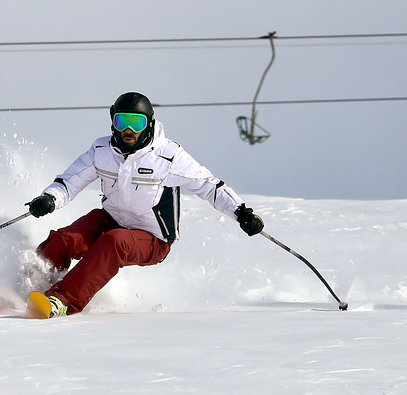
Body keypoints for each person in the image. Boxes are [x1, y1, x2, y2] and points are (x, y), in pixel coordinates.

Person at [25, 92, 264, 317]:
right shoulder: (102, 150)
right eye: (122, 122)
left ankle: (63, 300)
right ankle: (30, 285)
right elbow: (70, 181)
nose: (128, 130)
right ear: (112, 121)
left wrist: (240, 211)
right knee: (64, 239)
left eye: (136, 123)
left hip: (152, 238)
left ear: (149, 123)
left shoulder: (168, 156)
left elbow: (209, 186)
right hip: (110, 220)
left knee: (114, 242)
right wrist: (49, 198)